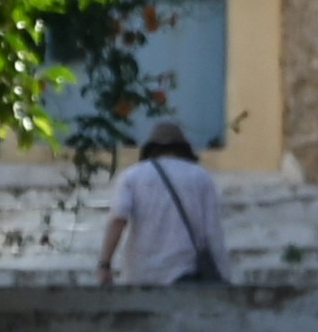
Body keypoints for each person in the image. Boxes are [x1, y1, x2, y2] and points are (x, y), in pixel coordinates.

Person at [97, 117, 229, 285]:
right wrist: (224, 276)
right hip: (185, 275)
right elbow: (212, 232)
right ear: (184, 149)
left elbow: (118, 219)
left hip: (139, 274)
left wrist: (104, 264)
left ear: (150, 148)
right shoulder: (200, 177)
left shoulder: (132, 176)